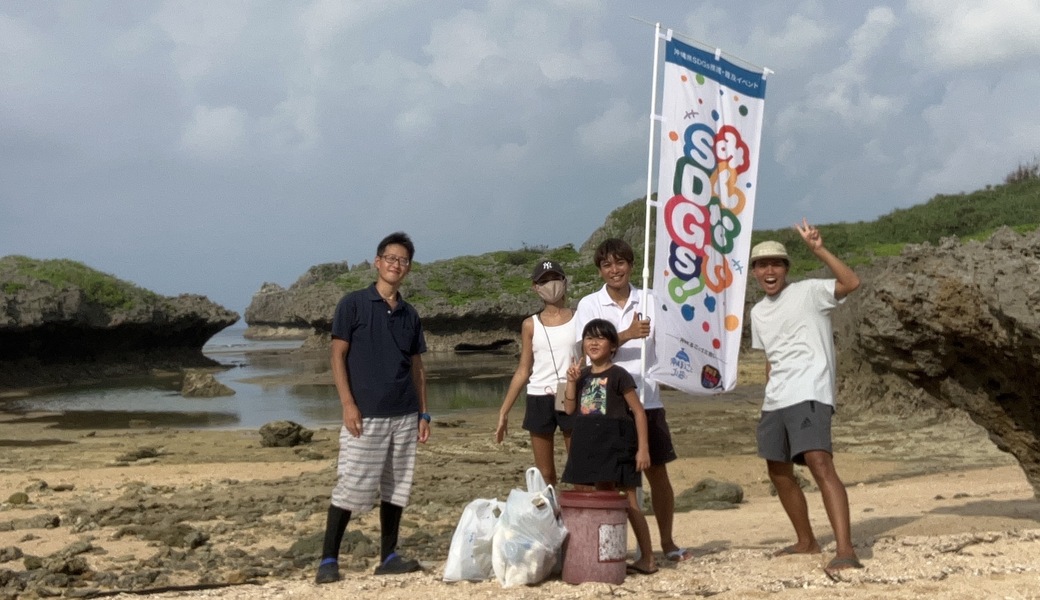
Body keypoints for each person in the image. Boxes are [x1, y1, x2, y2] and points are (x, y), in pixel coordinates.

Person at [749, 218, 863, 577]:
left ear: (785, 269)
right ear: (754, 272)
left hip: (810, 391)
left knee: (819, 463)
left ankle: (845, 549)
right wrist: (768, 398)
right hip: (776, 399)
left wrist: (819, 249)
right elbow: (771, 359)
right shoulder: (757, 312)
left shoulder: (810, 292)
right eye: (762, 265)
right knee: (777, 469)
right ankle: (806, 541)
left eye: (776, 264)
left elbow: (851, 282)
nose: (769, 271)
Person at [315, 232, 431, 584]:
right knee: (351, 485)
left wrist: (423, 413)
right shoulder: (353, 304)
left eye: (403, 261)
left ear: (408, 269)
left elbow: (417, 368)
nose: (397, 265)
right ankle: (328, 560)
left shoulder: (410, 314)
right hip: (365, 413)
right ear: (377, 262)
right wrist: (348, 404)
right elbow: (337, 355)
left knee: (396, 487)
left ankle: (389, 555)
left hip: (404, 413)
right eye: (391, 258)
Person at [573, 238, 692, 563]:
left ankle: (666, 544)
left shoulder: (651, 300)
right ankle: (610, 548)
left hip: (646, 398)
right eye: (608, 265)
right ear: (600, 269)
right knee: (606, 479)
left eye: (620, 263)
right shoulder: (589, 304)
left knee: (657, 474)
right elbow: (588, 346)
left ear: (630, 264)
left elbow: (673, 341)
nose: (615, 270)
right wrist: (624, 334)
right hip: (603, 406)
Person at [561, 319, 656, 575]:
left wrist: (643, 448)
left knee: (630, 501)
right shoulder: (580, 375)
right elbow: (569, 409)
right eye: (589, 338)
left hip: (618, 444)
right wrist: (570, 381)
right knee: (603, 499)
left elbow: (638, 412)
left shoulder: (619, 375)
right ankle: (606, 554)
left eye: (600, 338)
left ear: (613, 345)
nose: (593, 342)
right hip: (590, 444)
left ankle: (647, 557)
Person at [495, 259, 576, 485]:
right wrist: (504, 411)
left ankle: (580, 518)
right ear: (535, 287)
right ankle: (550, 516)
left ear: (564, 281)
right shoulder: (530, 324)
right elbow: (523, 370)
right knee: (545, 474)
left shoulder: (580, 317)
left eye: (554, 279)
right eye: (544, 281)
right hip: (539, 396)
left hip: (571, 393)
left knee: (579, 467)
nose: (551, 285)